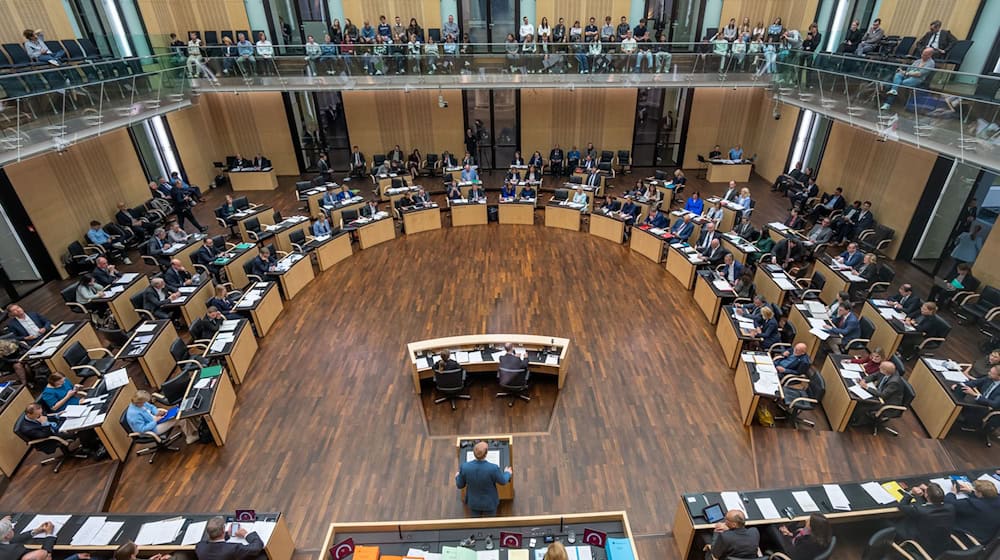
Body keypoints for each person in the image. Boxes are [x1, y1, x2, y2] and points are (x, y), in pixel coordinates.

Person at [455, 441, 512, 516]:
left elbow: (460, 485)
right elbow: (503, 481)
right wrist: (508, 473)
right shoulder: (493, 468)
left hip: (473, 502)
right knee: (490, 524)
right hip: (489, 503)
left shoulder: (465, 467)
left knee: (476, 524)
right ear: (486, 454)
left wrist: (457, 476)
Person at [126, 389, 199, 444]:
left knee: (178, 415)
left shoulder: (141, 403)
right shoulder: (133, 415)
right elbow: (142, 429)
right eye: (144, 402)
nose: (146, 403)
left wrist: (157, 412)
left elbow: (151, 407)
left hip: (154, 420)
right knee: (179, 419)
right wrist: (155, 421)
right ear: (139, 402)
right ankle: (191, 437)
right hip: (151, 429)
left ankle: (192, 433)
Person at [945, 479, 1000, 543]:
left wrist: (952, 493)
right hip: (986, 536)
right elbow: (987, 501)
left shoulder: (974, 504)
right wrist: (972, 493)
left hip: (969, 538)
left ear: (980, 493)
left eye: (975, 490)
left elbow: (950, 503)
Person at [851, 361, 904, 426]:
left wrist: (866, 387)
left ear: (885, 371)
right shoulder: (887, 372)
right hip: (879, 394)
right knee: (858, 398)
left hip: (886, 401)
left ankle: (858, 422)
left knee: (862, 405)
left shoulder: (894, 382)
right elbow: (874, 376)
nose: (879, 367)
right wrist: (864, 380)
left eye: (881, 367)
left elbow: (883, 395)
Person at [195, 516, 263, 560]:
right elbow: (256, 547)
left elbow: (210, 541)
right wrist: (246, 534)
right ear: (223, 529)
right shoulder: (232, 548)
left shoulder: (200, 547)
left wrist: (227, 534)